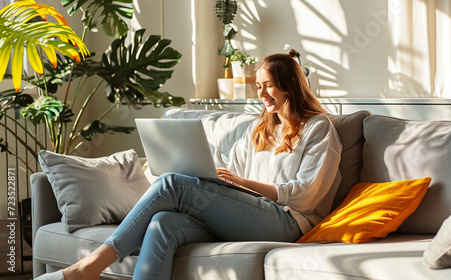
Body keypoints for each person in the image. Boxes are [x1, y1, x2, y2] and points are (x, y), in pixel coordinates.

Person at [36, 49, 343, 280]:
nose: (260, 93)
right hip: (249, 213)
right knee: (164, 223)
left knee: (171, 184)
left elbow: (306, 194)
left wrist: (245, 184)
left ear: (289, 84)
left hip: (290, 223)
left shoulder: (318, 128)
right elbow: (226, 166)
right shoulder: (260, 128)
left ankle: (90, 266)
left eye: (267, 85)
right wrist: (200, 165)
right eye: (257, 86)